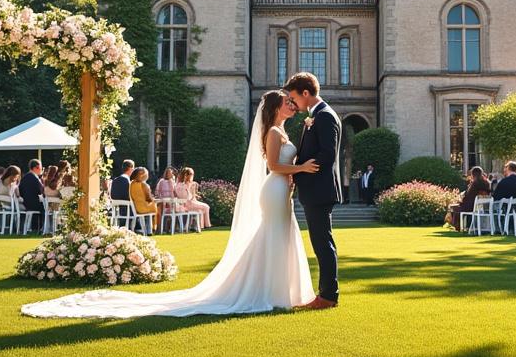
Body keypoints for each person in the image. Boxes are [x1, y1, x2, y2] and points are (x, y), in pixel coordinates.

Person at [20, 88, 320, 318]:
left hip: (282, 190)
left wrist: (294, 175)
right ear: (275, 107)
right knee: (272, 235)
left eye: (291, 103)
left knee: (279, 236)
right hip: (275, 188)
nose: (291, 105)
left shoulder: (283, 130)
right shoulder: (272, 132)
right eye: (286, 102)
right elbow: (273, 165)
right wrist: (301, 170)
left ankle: (279, 290)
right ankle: (267, 290)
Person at [284, 71, 344, 310]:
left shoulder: (325, 116)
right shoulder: (316, 115)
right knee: (322, 242)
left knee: (322, 243)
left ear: (306, 93)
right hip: (316, 189)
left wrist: (299, 171)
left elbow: (327, 155)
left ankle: (328, 296)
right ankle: (327, 293)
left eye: (294, 98)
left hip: (319, 190)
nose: (293, 103)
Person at [446, 166, 492, 232]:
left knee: (454, 208)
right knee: (457, 207)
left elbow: (468, 196)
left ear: (473, 174)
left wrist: (460, 201)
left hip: (471, 206)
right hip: (483, 206)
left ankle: (458, 227)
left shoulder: (474, 184)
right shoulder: (487, 183)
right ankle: (466, 226)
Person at [17, 160, 46, 233]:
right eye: (41, 168)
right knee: (47, 207)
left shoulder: (25, 177)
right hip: (33, 203)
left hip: (26, 202)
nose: (41, 170)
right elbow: (42, 191)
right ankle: (45, 229)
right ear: (36, 167)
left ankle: (36, 228)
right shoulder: (35, 178)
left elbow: (20, 190)